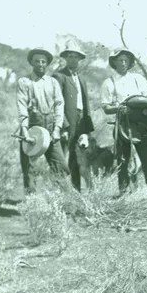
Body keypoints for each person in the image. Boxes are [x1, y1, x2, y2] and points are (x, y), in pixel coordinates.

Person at [101, 48, 147, 195]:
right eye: (120, 60)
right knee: (123, 161)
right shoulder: (109, 83)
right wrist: (119, 108)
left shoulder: (137, 79)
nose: (123, 63)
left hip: (141, 125)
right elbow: (106, 108)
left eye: (125, 60)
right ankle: (124, 194)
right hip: (122, 126)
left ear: (129, 62)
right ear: (114, 62)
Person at [16, 47, 70, 194]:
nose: (40, 64)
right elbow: (22, 106)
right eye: (37, 61)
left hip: (51, 126)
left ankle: (67, 200)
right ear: (31, 63)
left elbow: (59, 105)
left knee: (60, 164)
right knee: (29, 167)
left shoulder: (53, 82)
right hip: (32, 126)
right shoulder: (24, 82)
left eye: (43, 61)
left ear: (47, 64)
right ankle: (32, 201)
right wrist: (25, 131)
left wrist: (57, 129)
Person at [53, 40, 94, 192]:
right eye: (70, 56)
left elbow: (85, 102)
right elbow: (56, 102)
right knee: (62, 156)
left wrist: (87, 126)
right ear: (65, 58)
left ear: (79, 59)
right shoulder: (59, 76)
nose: (73, 60)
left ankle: (76, 191)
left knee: (77, 157)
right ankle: (60, 192)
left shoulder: (81, 78)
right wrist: (63, 125)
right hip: (67, 121)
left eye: (76, 57)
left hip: (81, 120)